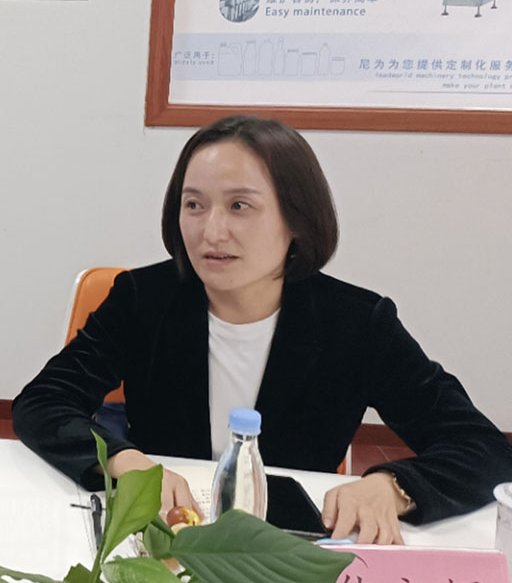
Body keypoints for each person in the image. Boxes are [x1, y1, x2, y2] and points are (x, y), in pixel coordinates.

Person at [12, 115, 512, 545]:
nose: (211, 232)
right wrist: (125, 461)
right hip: (163, 539)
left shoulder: (357, 324)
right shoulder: (142, 299)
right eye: (194, 205)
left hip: (285, 553)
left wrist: (393, 486)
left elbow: (482, 447)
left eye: (239, 206)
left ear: (296, 220)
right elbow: (44, 402)